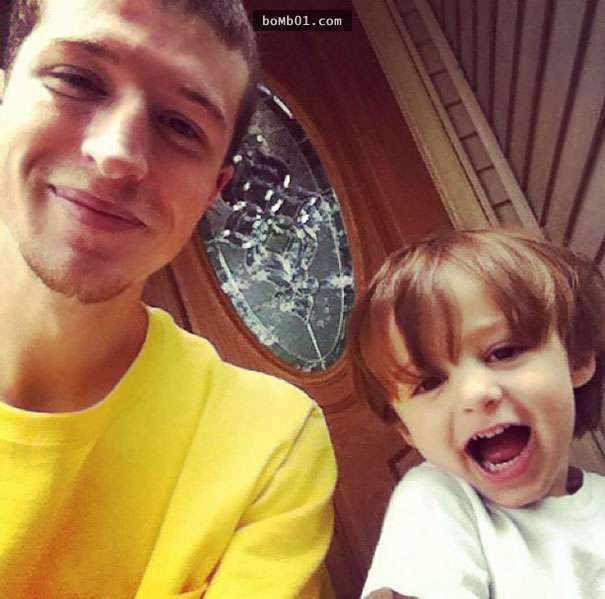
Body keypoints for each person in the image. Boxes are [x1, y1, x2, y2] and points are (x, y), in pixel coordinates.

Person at [0, 0, 336, 597]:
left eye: (181, 126)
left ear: (214, 191)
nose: (117, 155)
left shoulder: (269, 447)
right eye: (77, 80)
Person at [349, 228, 605, 598]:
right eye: (429, 382)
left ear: (576, 359)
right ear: (406, 429)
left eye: (504, 352)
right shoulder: (436, 501)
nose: (474, 393)